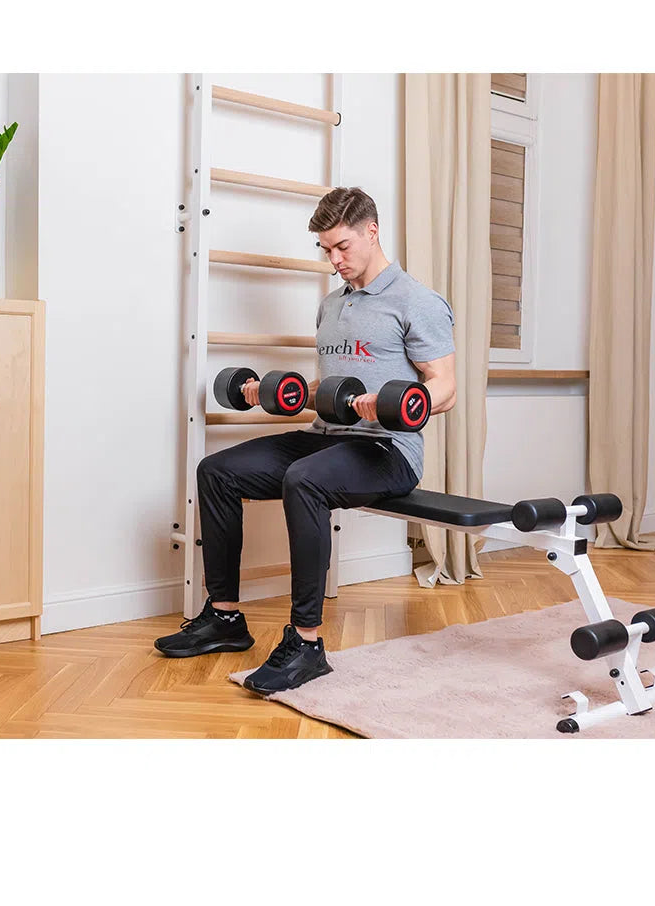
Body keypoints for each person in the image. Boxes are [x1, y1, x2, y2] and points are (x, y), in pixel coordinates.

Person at [154, 187, 457, 694]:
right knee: (218, 472)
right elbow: (330, 389)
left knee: (305, 480)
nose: (334, 260)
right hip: (327, 436)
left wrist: (391, 400)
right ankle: (225, 618)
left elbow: (444, 388)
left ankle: (307, 642)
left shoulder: (417, 301)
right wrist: (272, 391)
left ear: (372, 231)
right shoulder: (331, 307)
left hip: (387, 449)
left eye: (342, 246)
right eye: (326, 250)